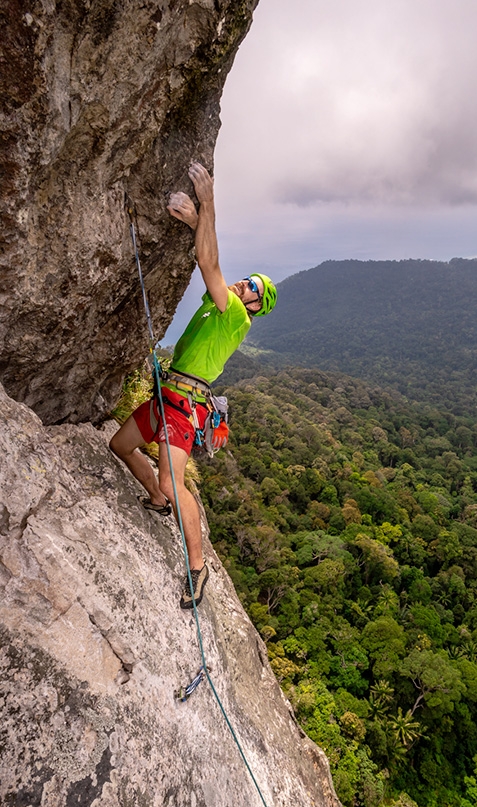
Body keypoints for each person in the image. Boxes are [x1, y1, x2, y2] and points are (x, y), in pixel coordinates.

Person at [110, 162, 277, 610]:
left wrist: (208, 203)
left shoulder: (235, 316)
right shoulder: (217, 304)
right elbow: (208, 260)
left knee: (173, 476)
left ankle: (197, 569)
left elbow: (209, 261)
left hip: (183, 407)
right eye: (246, 281)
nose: (244, 285)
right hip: (166, 397)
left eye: (252, 288)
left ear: (255, 307)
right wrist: (194, 223)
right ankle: (158, 499)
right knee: (120, 445)